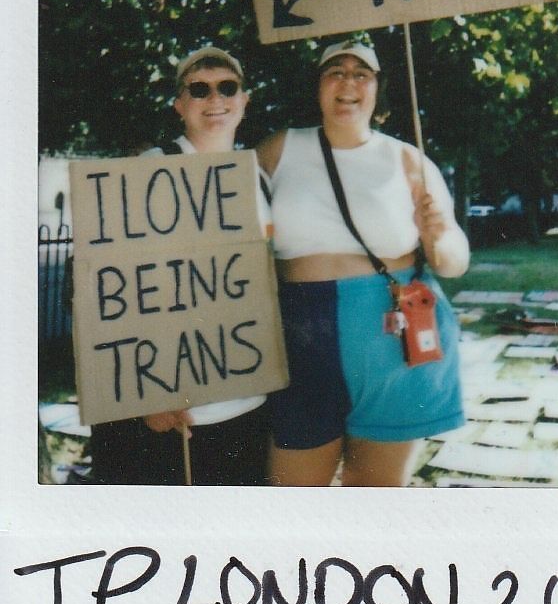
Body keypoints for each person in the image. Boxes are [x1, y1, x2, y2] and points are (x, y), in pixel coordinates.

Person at [257, 40, 470, 487]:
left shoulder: (407, 160)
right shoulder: (278, 150)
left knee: (375, 500)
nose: (348, 82)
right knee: (293, 500)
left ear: (377, 89)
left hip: (391, 340)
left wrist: (437, 238)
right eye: (335, 70)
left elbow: (453, 261)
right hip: (300, 337)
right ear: (317, 86)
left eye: (361, 73)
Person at [90, 46, 271, 485]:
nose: (216, 99)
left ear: (244, 101)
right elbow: (116, 286)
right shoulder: (151, 169)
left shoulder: (257, 176)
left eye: (228, 87)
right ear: (179, 105)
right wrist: (146, 396)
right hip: (176, 408)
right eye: (199, 89)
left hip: (248, 399)